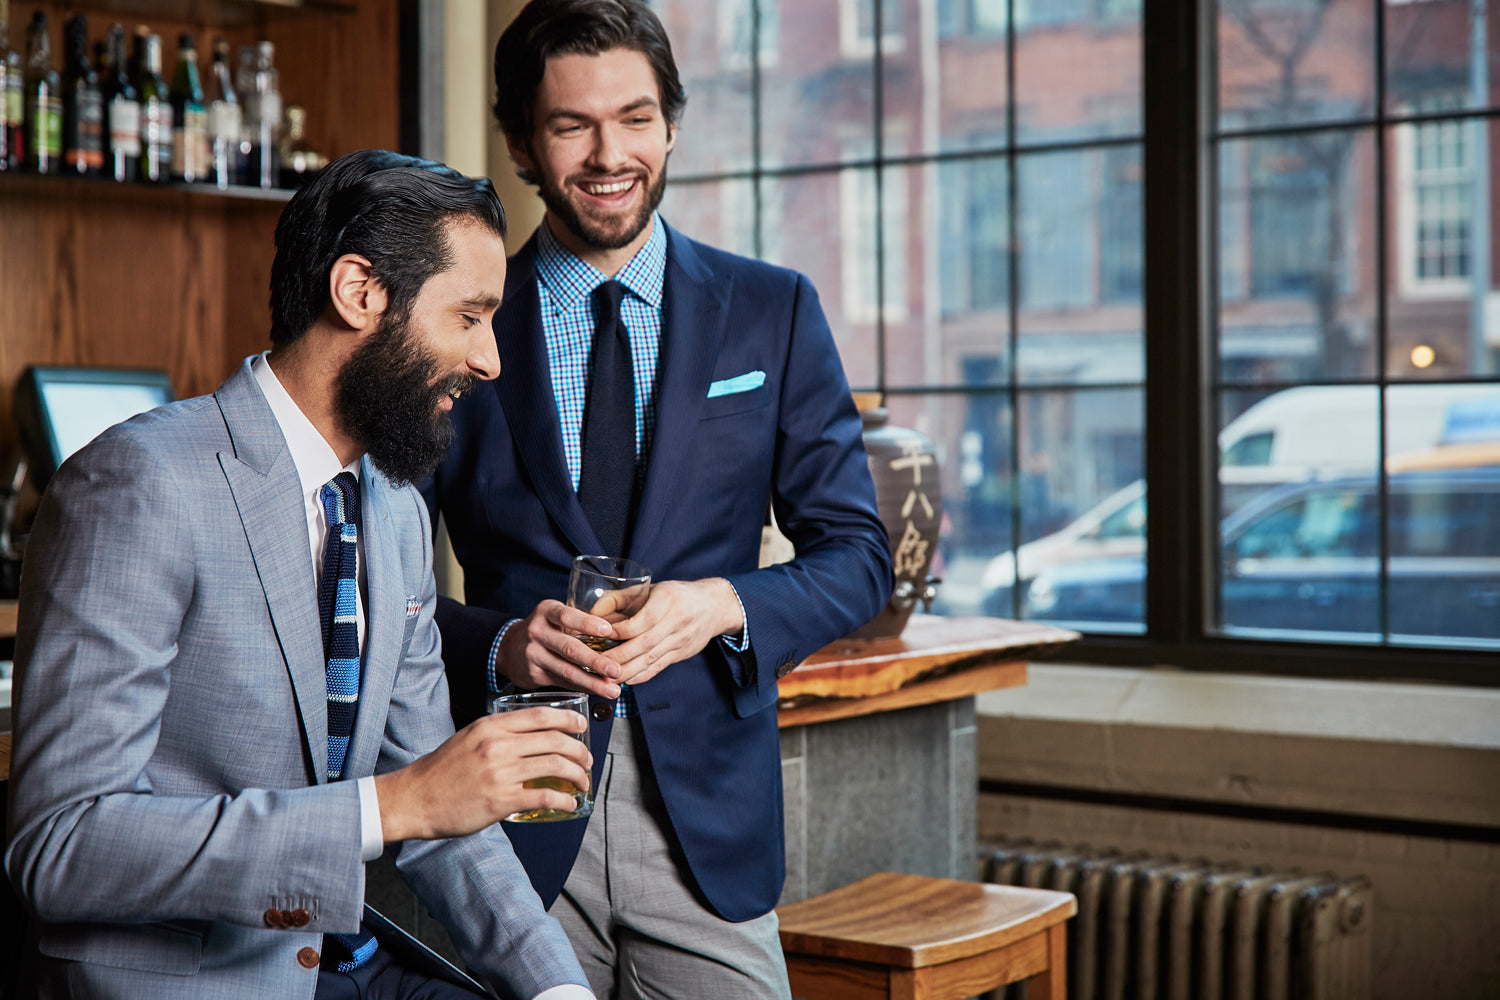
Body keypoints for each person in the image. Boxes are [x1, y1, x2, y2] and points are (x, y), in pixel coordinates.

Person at [4, 149, 599, 1000]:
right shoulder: (140, 482)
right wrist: (389, 807)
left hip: (343, 966)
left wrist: (558, 990)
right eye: (469, 317)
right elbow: (62, 845)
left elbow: (446, 807)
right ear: (359, 292)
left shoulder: (394, 509)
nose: (490, 360)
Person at [421, 1, 894, 996]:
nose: (610, 155)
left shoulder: (771, 310)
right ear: (520, 142)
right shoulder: (453, 326)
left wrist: (721, 603)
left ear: (671, 124)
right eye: (572, 125)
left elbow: (858, 557)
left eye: (635, 118)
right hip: (512, 821)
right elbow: (376, 588)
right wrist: (503, 645)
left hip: (708, 828)